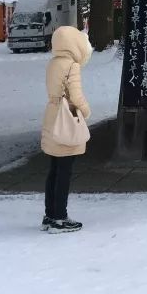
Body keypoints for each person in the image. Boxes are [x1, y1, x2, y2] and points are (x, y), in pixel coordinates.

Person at [40, 25, 92, 233]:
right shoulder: (72, 65)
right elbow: (76, 96)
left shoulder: (53, 63)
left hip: (51, 115)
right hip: (66, 118)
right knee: (65, 171)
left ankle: (49, 215)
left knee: (54, 169)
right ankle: (60, 217)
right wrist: (86, 112)